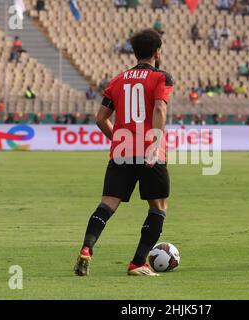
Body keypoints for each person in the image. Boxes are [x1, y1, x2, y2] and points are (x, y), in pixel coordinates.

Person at [73, 29, 174, 277]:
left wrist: (118, 139)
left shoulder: (117, 80)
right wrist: (154, 143)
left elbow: (100, 119)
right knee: (158, 207)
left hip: (121, 152)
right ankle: (138, 262)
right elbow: (160, 107)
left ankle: (87, 248)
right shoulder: (162, 77)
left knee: (108, 203)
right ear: (157, 51)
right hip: (151, 152)